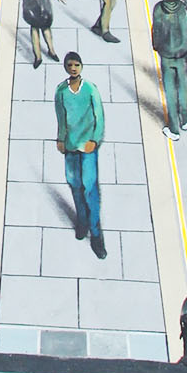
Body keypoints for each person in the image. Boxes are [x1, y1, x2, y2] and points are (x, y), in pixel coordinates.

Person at [53, 51, 107, 255]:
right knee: (74, 184)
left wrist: (94, 139)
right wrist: (60, 138)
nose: (73, 68)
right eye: (70, 65)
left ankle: (96, 234)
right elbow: (60, 116)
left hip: (87, 147)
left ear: (81, 66)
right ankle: (82, 222)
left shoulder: (91, 89)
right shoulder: (61, 91)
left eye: (76, 65)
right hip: (70, 146)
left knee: (90, 188)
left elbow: (99, 116)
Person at [153, 0, 187, 138]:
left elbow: (156, 31)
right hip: (181, 55)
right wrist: (183, 50)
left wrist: (158, 47)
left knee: (170, 91)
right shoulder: (182, 9)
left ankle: (174, 128)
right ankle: (186, 119)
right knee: (183, 87)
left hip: (165, 55)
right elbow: (186, 32)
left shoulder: (158, 9)